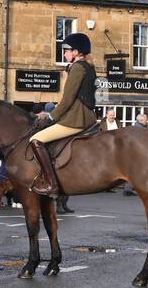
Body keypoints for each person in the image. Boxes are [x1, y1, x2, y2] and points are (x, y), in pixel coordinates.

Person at [29, 33, 97, 195]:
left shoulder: (78, 68)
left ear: (76, 52)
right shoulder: (87, 67)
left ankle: (51, 183)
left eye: (67, 50)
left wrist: (51, 117)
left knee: (36, 139)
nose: (64, 53)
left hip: (76, 118)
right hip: (84, 115)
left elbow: (67, 100)